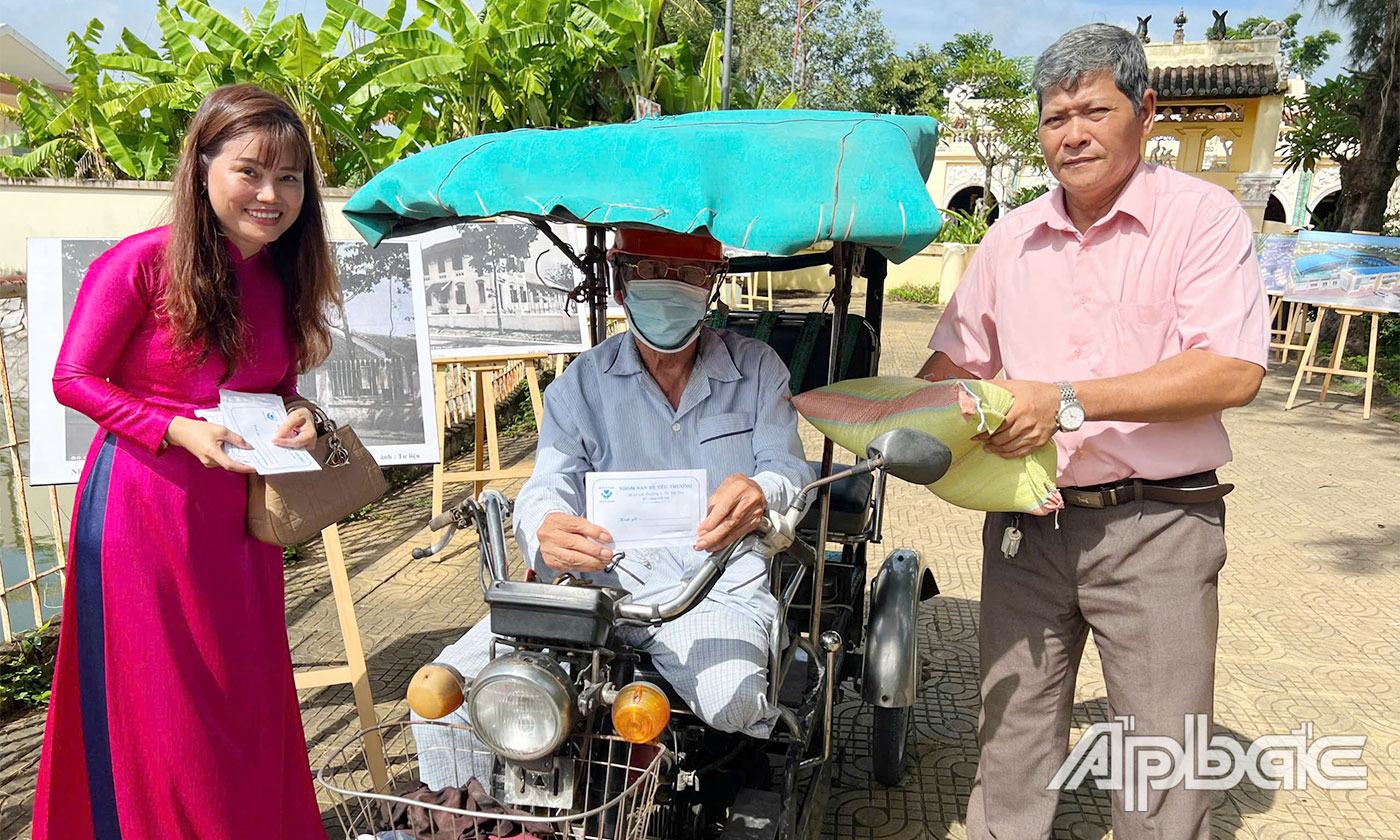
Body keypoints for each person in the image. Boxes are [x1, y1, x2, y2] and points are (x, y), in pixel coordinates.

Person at [916, 24, 1268, 840]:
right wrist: (883, 414)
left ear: (1145, 111)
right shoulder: (1010, 239)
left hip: (1157, 527)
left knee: (1161, 759)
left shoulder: (1200, 220)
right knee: (1011, 743)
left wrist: (1064, 400)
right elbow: (950, 372)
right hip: (1027, 531)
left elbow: (1233, 372)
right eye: (1053, 117)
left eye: (1093, 110)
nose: (1071, 134)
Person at [33, 84, 341, 840]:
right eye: (250, 172)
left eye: (291, 178)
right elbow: (71, 378)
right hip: (145, 512)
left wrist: (300, 418)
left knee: (243, 696)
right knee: (165, 709)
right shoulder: (139, 264)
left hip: (238, 523)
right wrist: (173, 429)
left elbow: (274, 386)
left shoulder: (281, 276)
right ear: (202, 168)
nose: (272, 195)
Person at [414, 227, 813, 788]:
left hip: (713, 588)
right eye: (650, 270)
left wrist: (759, 491)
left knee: (734, 702)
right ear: (622, 284)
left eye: (687, 275)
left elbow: (790, 470)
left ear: (711, 286)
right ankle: (474, 815)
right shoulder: (581, 383)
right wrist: (545, 526)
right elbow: (547, 484)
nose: (668, 286)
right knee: (444, 696)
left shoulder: (757, 369)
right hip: (597, 587)